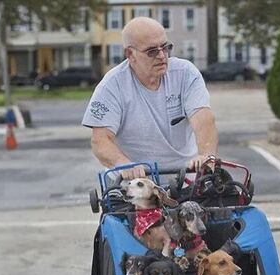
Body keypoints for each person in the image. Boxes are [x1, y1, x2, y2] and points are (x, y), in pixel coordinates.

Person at [82, 17, 219, 180]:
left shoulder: (186, 73)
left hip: (184, 176)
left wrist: (205, 155)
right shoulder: (112, 86)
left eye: (166, 47)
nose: (162, 56)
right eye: (152, 51)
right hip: (135, 184)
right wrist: (124, 164)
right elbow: (100, 141)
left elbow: (204, 120)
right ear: (130, 54)